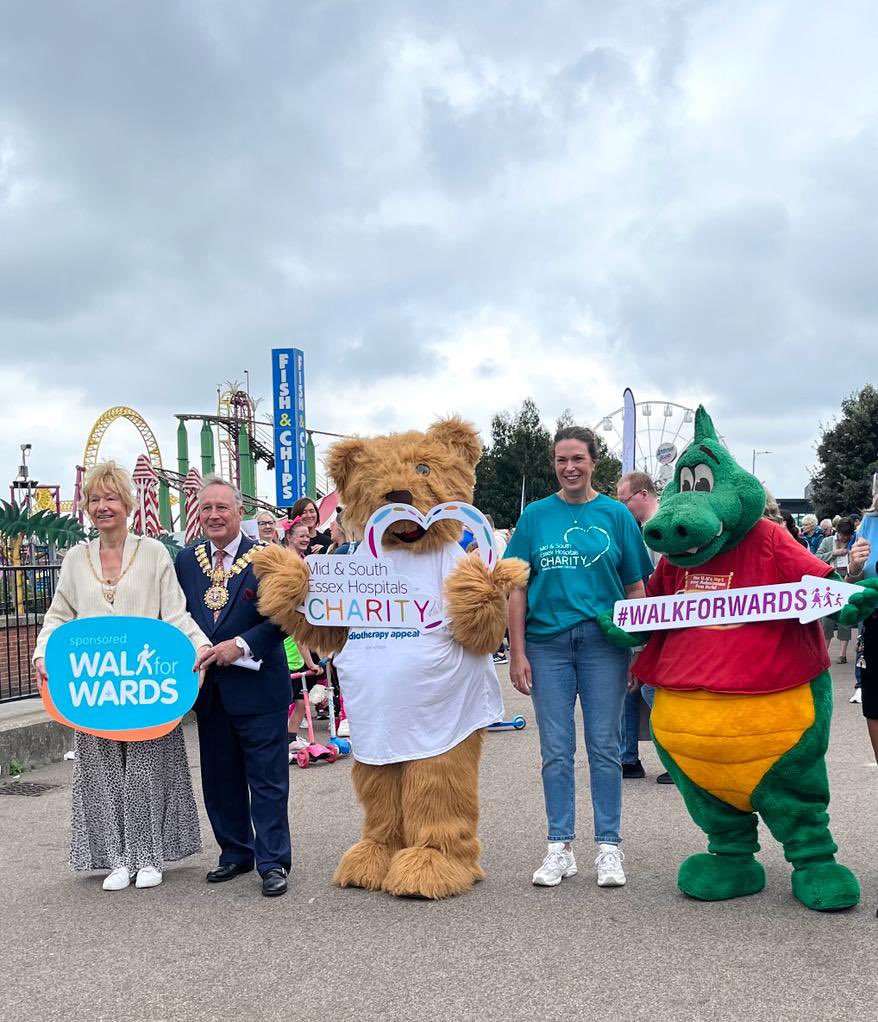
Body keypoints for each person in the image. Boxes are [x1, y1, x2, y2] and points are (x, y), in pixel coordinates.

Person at [32, 462, 210, 891]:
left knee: (146, 769)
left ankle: (147, 856)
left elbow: (174, 612)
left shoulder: (153, 554)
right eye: (94, 499)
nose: (102, 506)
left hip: (145, 683)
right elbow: (59, 615)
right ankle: (115, 858)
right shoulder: (75, 559)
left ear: (127, 504)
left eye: (110, 498)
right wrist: (43, 652)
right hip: (95, 686)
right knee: (101, 770)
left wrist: (199, 644)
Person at [506, 427, 653, 889]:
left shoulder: (615, 515)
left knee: (605, 747)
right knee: (555, 750)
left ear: (594, 462)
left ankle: (608, 848)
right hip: (547, 643)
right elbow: (516, 586)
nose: (569, 467)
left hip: (603, 643)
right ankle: (560, 846)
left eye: (578, 459)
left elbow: (635, 588)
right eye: (561, 459)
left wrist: (636, 649)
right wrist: (517, 652)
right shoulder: (534, 517)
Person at [178, 476, 292, 898]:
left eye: (221, 507)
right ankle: (235, 852)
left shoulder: (269, 558)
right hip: (210, 693)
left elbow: (284, 617)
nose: (213, 515)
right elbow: (175, 615)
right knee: (220, 777)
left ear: (239, 511)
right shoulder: (187, 561)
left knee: (267, 780)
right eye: (206, 508)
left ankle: (273, 860)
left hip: (260, 688)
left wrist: (239, 645)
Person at [615, 471, 672, 784]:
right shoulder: (646, 530)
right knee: (634, 687)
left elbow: (651, 585)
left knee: (650, 689)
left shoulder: (654, 532)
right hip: (651, 624)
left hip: (656, 625)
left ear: (643, 494)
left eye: (625, 500)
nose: (622, 507)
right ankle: (628, 756)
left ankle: (671, 758)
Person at [849, 493, 878, 752]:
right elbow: (853, 582)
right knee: (875, 707)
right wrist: (854, 568)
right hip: (875, 628)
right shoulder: (870, 520)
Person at [817, 517, 854, 663]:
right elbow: (817, 557)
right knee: (827, 619)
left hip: (848, 580)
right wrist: (834, 553)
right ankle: (824, 653)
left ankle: (842, 654)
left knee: (845, 617)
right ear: (837, 531)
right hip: (831, 581)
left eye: (847, 536)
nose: (844, 538)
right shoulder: (827, 542)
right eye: (842, 535)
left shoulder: (854, 542)